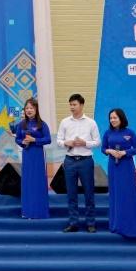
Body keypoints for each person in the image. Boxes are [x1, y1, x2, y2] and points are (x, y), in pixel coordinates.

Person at [57, 93, 100, 233]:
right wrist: (66, 142)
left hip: (85, 161)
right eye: (70, 104)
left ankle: (90, 223)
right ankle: (73, 222)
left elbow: (98, 142)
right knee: (71, 193)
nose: (72, 107)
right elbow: (58, 141)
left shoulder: (91, 122)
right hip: (69, 160)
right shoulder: (65, 122)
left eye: (74, 104)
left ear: (81, 105)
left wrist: (84, 143)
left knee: (89, 193)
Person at [102, 108, 136, 239]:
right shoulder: (108, 133)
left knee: (127, 193)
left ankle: (129, 225)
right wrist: (110, 151)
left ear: (121, 118)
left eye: (115, 118)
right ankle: (116, 224)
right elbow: (103, 148)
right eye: (111, 118)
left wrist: (125, 153)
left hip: (126, 166)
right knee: (115, 193)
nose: (112, 120)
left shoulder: (130, 132)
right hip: (113, 166)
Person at [10, 98, 51, 218]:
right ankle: (27, 212)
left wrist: (35, 140)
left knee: (38, 182)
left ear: (36, 109)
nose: (29, 110)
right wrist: (23, 142)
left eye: (31, 108)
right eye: (27, 108)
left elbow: (48, 139)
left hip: (38, 155)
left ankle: (40, 212)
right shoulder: (21, 124)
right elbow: (17, 138)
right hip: (27, 154)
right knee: (28, 182)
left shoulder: (42, 124)